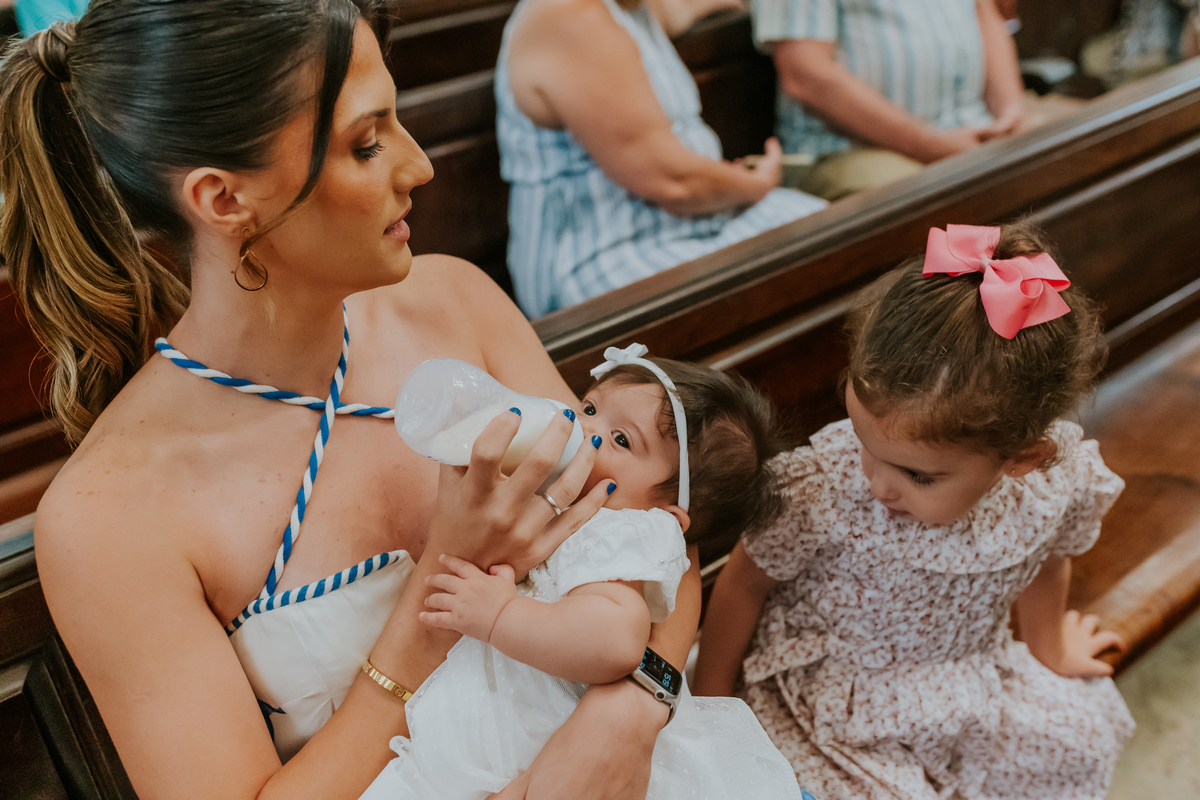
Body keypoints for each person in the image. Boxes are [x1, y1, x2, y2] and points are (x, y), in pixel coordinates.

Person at [0, 2, 703, 798]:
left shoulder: (456, 305)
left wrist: (635, 706)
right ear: (224, 199)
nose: (418, 166)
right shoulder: (111, 514)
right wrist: (446, 576)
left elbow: (656, 532)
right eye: (366, 144)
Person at [693, 222, 1136, 798]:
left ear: (1021, 459)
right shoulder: (824, 486)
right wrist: (710, 714)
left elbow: (1046, 559)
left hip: (964, 683)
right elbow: (742, 585)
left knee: (1077, 740)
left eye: (917, 475)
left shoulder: (1053, 484)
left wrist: (1049, 651)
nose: (877, 485)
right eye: (864, 444)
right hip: (832, 704)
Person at [360, 346, 810, 799]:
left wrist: (499, 615)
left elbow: (615, 640)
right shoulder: (570, 506)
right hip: (497, 738)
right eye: (589, 407)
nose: (584, 430)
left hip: (553, 742)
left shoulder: (624, 530)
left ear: (667, 515)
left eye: (621, 440)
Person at [496, 0, 827, 318]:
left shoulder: (631, 6)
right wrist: (758, 182)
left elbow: (681, 7)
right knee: (810, 256)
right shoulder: (571, 15)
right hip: (604, 258)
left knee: (823, 229)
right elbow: (673, 183)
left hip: (692, 223)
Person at [750, 0, 1031, 200]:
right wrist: (933, 146)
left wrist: (1011, 109)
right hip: (848, 151)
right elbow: (807, 76)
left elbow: (985, 12)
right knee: (922, 200)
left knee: (1054, 151)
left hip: (971, 128)